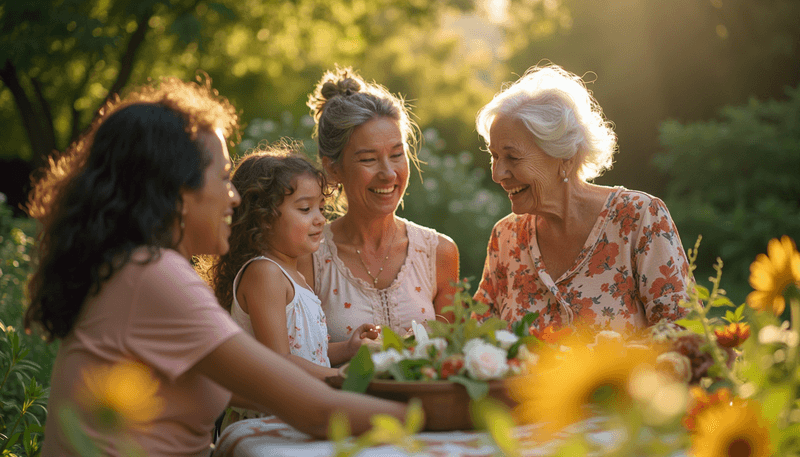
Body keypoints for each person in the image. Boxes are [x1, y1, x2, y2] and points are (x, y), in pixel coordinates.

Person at [25, 76, 406, 457]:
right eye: (223, 177)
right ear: (176, 190)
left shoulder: (135, 269)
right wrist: (438, 412)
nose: (234, 196)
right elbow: (317, 413)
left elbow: (255, 384)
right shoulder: (154, 276)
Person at [473, 64, 690, 334]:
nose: (497, 174)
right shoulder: (505, 238)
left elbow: (683, 333)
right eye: (494, 156)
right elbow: (477, 338)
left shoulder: (639, 218)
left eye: (512, 157)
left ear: (565, 157)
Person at [205, 145, 381, 426]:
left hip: (293, 409)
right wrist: (340, 378)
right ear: (262, 217)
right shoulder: (265, 274)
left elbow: (307, 352)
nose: (320, 219)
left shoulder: (295, 275)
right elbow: (280, 360)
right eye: (305, 208)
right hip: (266, 420)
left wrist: (347, 348)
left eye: (321, 208)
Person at [298, 66, 460, 343]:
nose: (388, 173)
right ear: (333, 169)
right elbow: (294, 358)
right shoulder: (309, 257)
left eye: (397, 154)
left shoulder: (439, 253)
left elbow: (454, 358)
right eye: (368, 159)